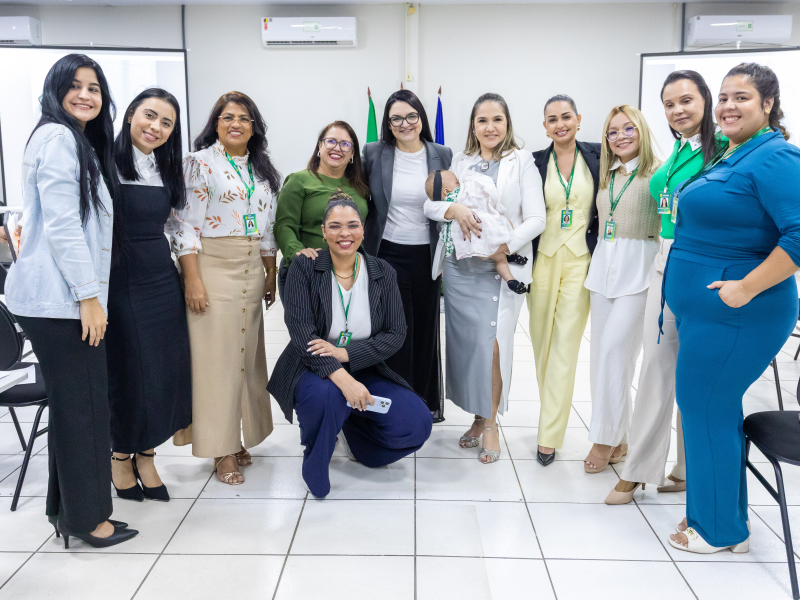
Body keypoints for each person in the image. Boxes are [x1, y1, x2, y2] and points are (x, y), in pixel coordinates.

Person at [4, 54, 138, 548]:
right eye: (75, 86)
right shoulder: (60, 138)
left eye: (94, 88)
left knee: (73, 407)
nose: (85, 95)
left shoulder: (66, 138)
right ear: (55, 90)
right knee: (85, 410)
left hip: (52, 298)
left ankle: (69, 512)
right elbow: (63, 225)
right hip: (60, 300)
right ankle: (88, 521)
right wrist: (89, 298)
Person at [667, 63, 800, 553]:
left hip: (740, 312)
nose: (726, 106)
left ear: (768, 104)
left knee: (705, 406)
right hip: (710, 314)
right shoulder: (736, 152)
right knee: (710, 408)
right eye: (723, 97)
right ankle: (724, 519)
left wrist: (744, 288)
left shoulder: (776, 156)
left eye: (740, 97)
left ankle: (718, 531)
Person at [606, 71, 724, 504]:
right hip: (666, 258)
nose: (678, 110)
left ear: (706, 100)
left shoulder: (723, 148)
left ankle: (687, 470)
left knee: (696, 375)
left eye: (686, 100)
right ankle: (639, 468)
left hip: (703, 261)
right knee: (656, 366)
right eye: (670, 104)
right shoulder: (679, 149)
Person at [267, 193, 433, 498]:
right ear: (323, 231)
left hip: (363, 364)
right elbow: (301, 332)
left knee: (416, 424)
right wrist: (344, 380)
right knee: (327, 397)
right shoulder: (305, 267)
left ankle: (354, 435)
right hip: (312, 366)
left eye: (352, 225)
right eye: (335, 226)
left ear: (363, 230)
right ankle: (317, 456)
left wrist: (345, 354)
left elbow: (396, 333)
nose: (345, 233)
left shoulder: (383, 272)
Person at [425, 93, 546, 463]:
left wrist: (502, 247)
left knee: (493, 346)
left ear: (507, 123)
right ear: (473, 126)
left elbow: (536, 218)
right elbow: (433, 202)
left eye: (497, 119)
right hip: (461, 268)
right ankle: (478, 418)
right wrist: (453, 209)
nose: (490, 127)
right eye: (482, 120)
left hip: (499, 266)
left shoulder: (522, 161)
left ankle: (491, 424)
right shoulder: (459, 161)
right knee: (468, 347)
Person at [167, 91, 280, 485]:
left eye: (244, 118)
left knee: (245, 358)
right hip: (212, 265)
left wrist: (270, 271)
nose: (236, 124)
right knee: (215, 361)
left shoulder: (261, 169)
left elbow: (267, 226)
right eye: (228, 117)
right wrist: (193, 279)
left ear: (254, 127)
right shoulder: (199, 163)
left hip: (251, 266)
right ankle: (221, 449)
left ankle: (237, 437)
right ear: (215, 123)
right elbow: (183, 226)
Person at [106, 88, 192, 503]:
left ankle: (147, 454)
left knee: (163, 370)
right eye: (149, 116)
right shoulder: (103, 161)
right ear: (130, 116)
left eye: (166, 123)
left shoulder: (167, 168)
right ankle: (120, 455)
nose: (156, 127)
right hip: (119, 279)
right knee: (130, 372)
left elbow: (177, 225)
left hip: (161, 278)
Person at [362, 90, 452, 420]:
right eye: (396, 118)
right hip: (387, 254)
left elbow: (452, 200)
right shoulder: (374, 153)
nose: (405, 124)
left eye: (411, 116)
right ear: (388, 124)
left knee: (426, 329)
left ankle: (424, 404)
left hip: (428, 255)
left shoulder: (442, 154)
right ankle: (395, 403)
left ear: (421, 118)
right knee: (396, 330)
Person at [582, 105, 661, 473]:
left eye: (628, 129)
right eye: (612, 132)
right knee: (601, 358)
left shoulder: (658, 173)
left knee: (616, 352)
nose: (620, 137)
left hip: (639, 274)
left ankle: (604, 439)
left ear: (641, 130)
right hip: (603, 273)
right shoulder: (607, 174)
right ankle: (620, 438)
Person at [529, 95, 601, 466]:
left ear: (578, 119)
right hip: (542, 259)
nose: (561, 124)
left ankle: (548, 435)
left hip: (581, 260)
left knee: (565, 347)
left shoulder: (600, 156)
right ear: (545, 126)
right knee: (542, 344)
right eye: (553, 119)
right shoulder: (534, 163)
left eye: (566, 117)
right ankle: (551, 415)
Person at [274, 121, 369, 296]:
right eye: (331, 141)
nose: (337, 148)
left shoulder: (360, 186)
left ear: (353, 153)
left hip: (353, 273)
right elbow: (284, 225)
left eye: (345, 144)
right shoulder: (298, 181)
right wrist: (297, 253)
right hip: (308, 272)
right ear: (320, 145)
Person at [425, 168, 529, 293]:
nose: (460, 183)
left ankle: (511, 278)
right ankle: (511, 264)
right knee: (506, 229)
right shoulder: (458, 194)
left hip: (470, 240)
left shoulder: (446, 202)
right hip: (478, 229)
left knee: (499, 257)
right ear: (446, 191)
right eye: (457, 182)